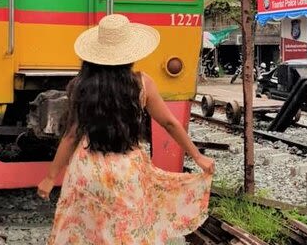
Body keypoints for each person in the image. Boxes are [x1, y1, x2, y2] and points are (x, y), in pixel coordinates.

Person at [37, 14, 214, 244]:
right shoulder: (142, 83)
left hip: (87, 172)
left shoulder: (80, 85)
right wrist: (198, 156)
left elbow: (71, 136)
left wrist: (51, 177)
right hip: (127, 173)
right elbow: (169, 123)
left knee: (85, 233)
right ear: (129, 52)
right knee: (126, 232)